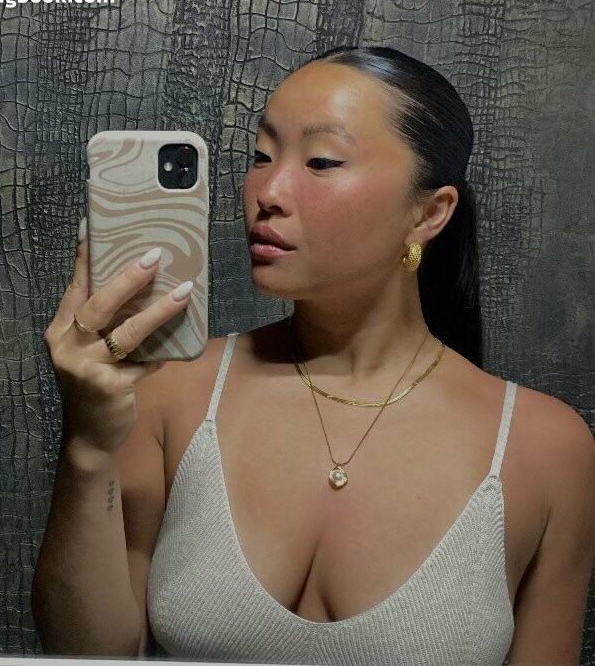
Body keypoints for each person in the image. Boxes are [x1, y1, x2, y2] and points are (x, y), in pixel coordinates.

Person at [31, 46, 595, 665]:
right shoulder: (170, 390)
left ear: (430, 212)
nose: (268, 192)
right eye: (260, 156)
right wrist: (88, 444)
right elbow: (88, 655)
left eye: (322, 161)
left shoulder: (544, 449)